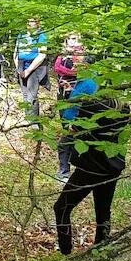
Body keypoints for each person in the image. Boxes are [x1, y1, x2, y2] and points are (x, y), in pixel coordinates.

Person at [52, 73, 131, 255]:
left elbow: (74, 129)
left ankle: (66, 251)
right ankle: (102, 247)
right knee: (103, 210)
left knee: (61, 207)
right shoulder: (123, 107)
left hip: (90, 166)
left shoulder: (91, 104)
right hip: (112, 166)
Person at [54, 37, 86, 180]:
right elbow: (57, 68)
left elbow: (77, 74)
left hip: (79, 106)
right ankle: (65, 171)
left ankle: (68, 170)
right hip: (64, 96)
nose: (76, 59)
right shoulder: (62, 55)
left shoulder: (88, 69)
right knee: (66, 130)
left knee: (69, 136)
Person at [14, 17, 49, 122]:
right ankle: (27, 118)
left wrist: (28, 70)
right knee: (24, 93)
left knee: (31, 95)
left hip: (34, 68)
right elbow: (16, 51)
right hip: (21, 65)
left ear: (37, 23)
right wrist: (17, 67)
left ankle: (33, 121)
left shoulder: (41, 36)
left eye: (32, 21)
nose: (29, 23)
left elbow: (42, 55)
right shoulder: (22, 35)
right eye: (28, 21)